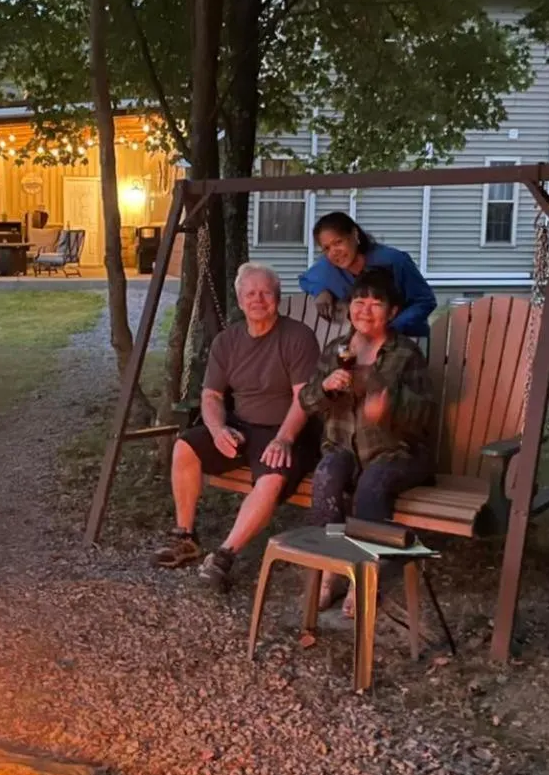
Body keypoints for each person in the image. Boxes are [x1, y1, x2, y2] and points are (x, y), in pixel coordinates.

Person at [153, 262, 321, 589]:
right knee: (185, 446)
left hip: (288, 431)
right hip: (242, 427)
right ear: (240, 300)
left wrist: (285, 439)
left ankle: (225, 556)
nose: (258, 299)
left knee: (271, 478)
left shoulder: (298, 337)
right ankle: (186, 536)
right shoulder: (227, 342)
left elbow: (305, 398)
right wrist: (217, 430)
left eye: (266, 293)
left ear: (278, 298)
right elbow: (212, 396)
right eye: (251, 293)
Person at [299, 268, 437, 616]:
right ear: (349, 307)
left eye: (376, 304)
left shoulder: (405, 355)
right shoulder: (336, 350)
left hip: (397, 453)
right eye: (359, 302)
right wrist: (326, 389)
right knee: (327, 475)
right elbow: (308, 403)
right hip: (343, 448)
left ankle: (365, 577)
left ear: (391, 312)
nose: (365, 310)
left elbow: (426, 415)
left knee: (372, 487)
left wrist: (391, 408)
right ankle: (331, 571)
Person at [298, 211, 436, 338]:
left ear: (355, 234)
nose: (334, 252)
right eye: (326, 248)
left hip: (408, 339)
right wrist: (320, 291)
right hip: (364, 344)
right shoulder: (328, 266)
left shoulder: (393, 260)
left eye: (338, 242)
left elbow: (425, 300)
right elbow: (306, 279)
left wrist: (392, 328)